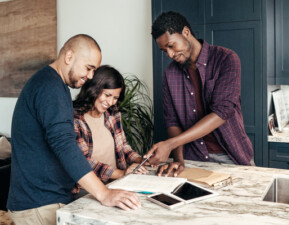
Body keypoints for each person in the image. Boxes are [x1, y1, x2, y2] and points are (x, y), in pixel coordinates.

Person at [7, 34, 140, 225]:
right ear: (69, 57)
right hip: (40, 205)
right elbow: (65, 145)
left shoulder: (50, 84)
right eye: (89, 68)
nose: (91, 76)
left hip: (41, 201)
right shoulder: (50, 87)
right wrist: (104, 193)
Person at [145, 11, 254, 176]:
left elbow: (221, 112)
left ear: (186, 33)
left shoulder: (226, 59)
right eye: (164, 51)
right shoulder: (170, 74)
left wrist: (170, 144)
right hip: (193, 159)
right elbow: (173, 122)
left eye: (171, 45)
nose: (170, 55)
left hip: (232, 156)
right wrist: (179, 160)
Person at [72, 65, 148, 196]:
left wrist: (140, 160)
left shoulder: (112, 114)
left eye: (115, 98)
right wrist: (121, 173)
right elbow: (83, 162)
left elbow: (123, 146)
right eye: (107, 95)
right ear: (93, 89)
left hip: (116, 185)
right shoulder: (74, 119)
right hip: (88, 191)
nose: (110, 102)